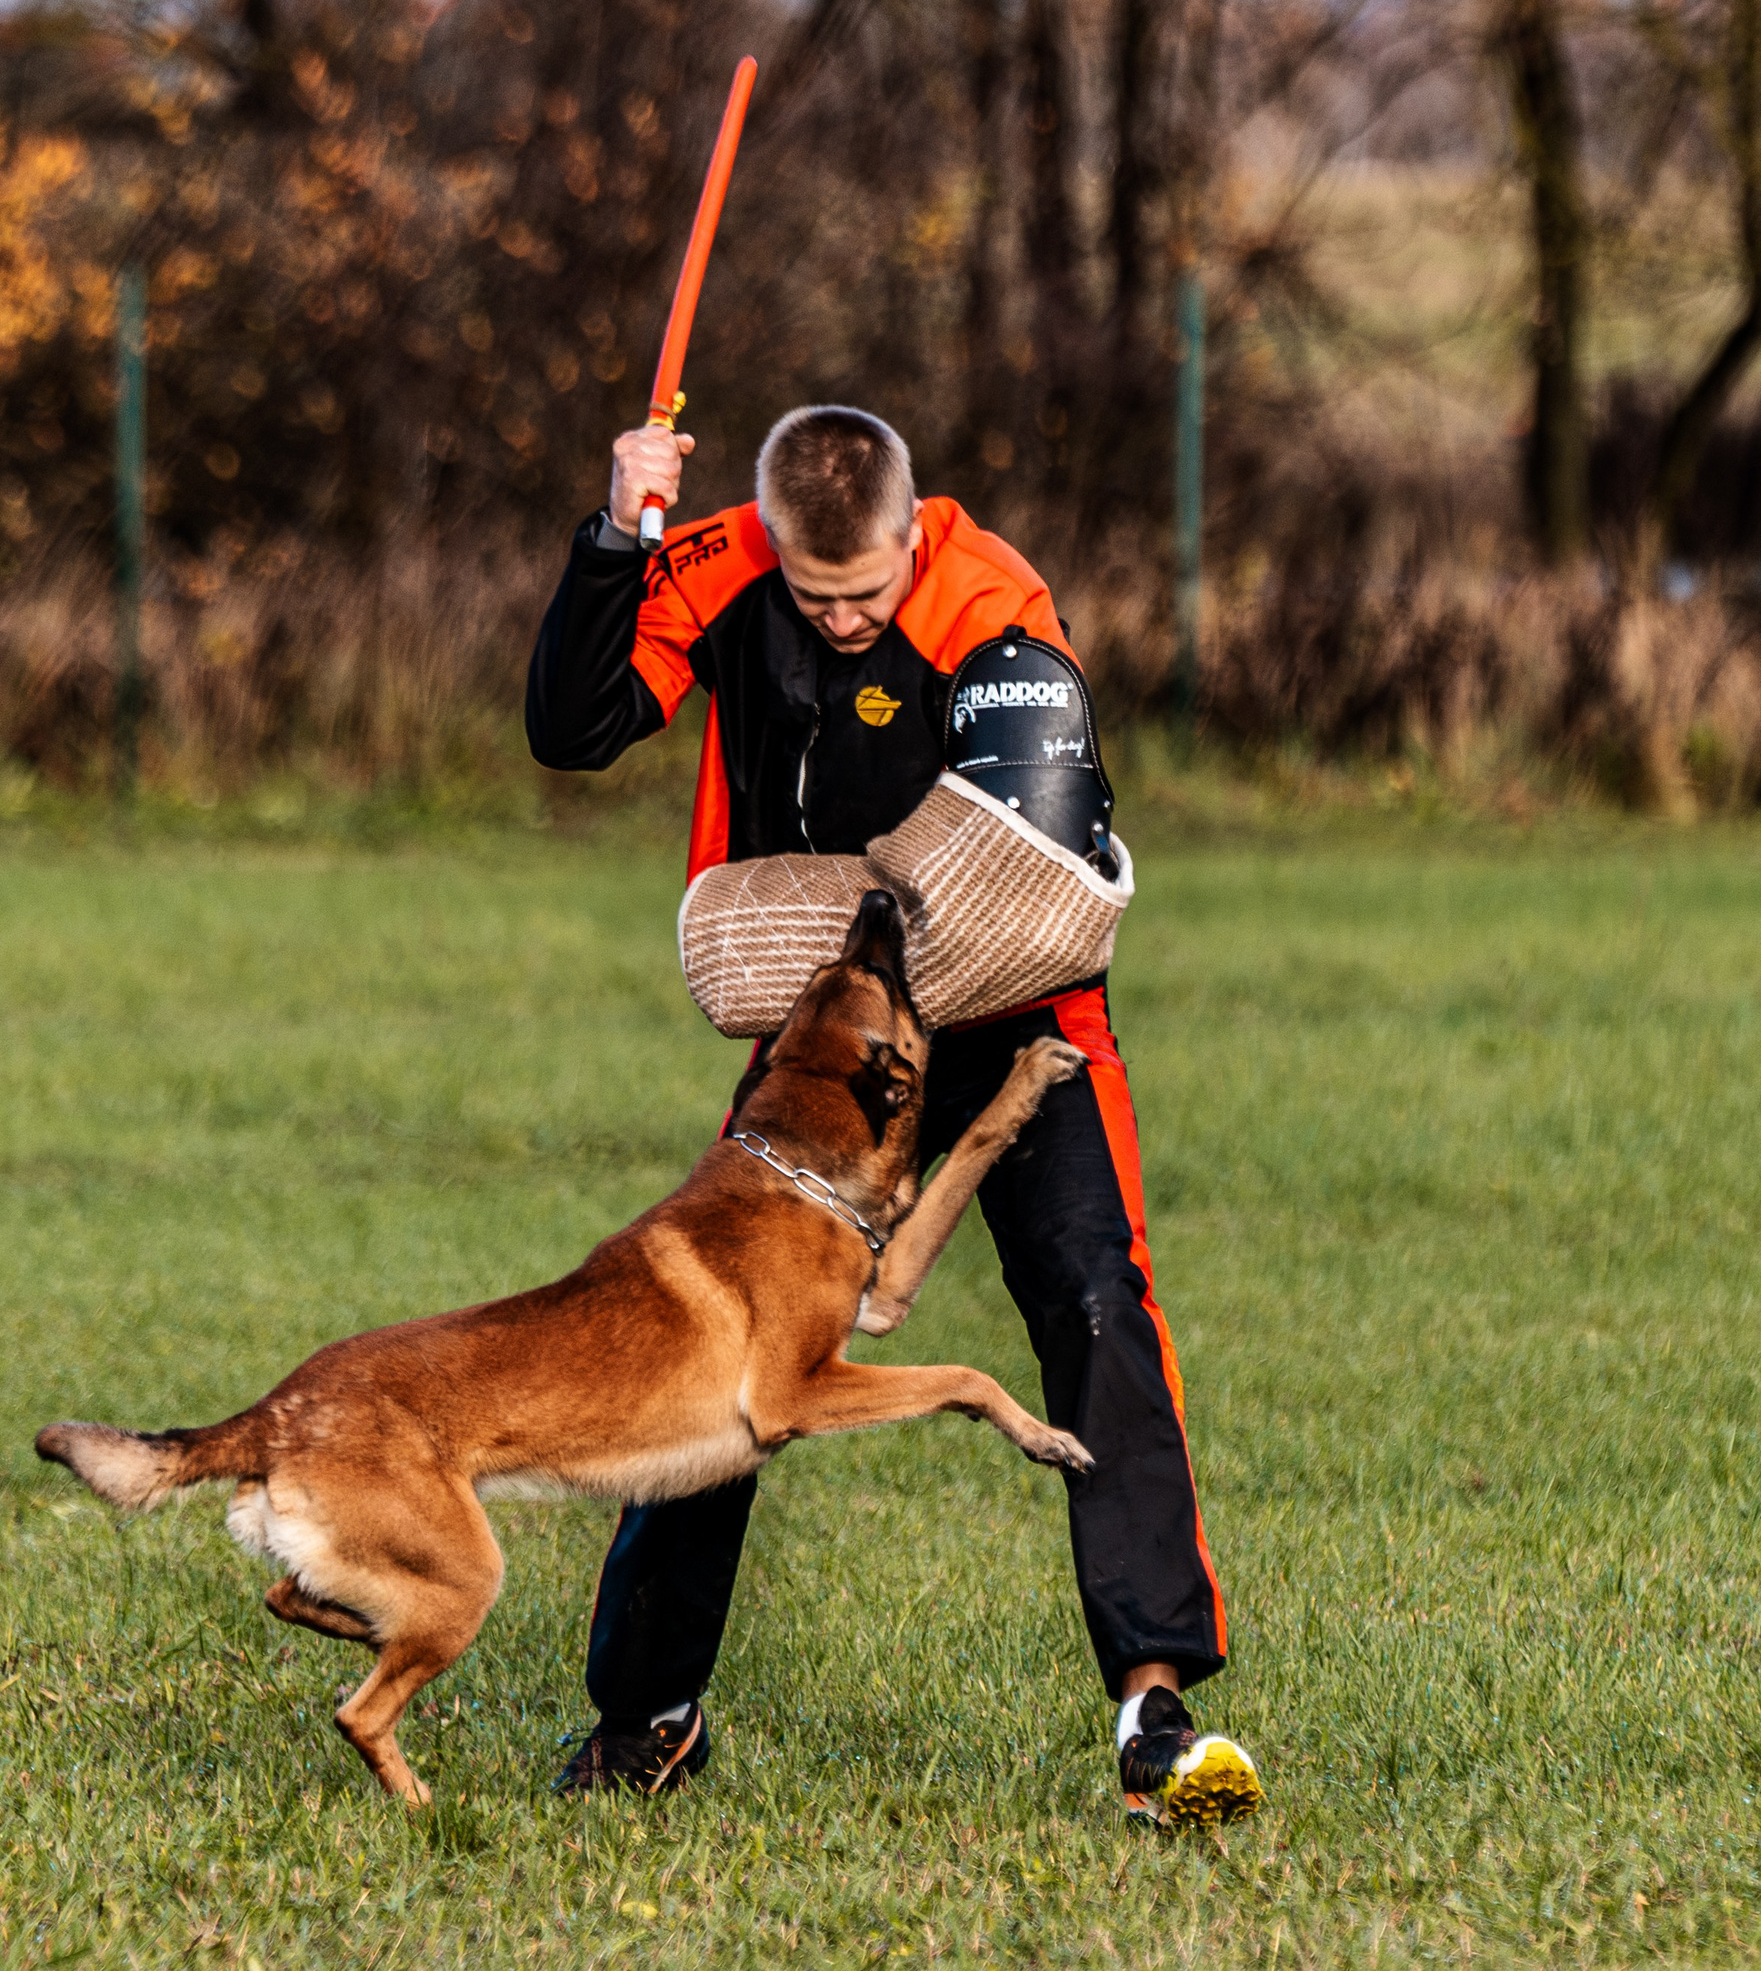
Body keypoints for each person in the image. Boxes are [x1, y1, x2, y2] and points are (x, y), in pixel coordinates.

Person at [523, 406, 1260, 1828]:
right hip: (832, 1041)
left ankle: (1154, 1708)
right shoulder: (728, 564)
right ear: (777, 549)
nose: (848, 620)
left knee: (1096, 1310)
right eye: (819, 596)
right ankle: (647, 1713)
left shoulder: (993, 604)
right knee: (720, 1346)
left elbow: (1027, 867)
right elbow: (573, 724)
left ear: (915, 536)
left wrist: (857, 952)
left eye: (868, 592)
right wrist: (619, 539)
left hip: (1018, 1011)